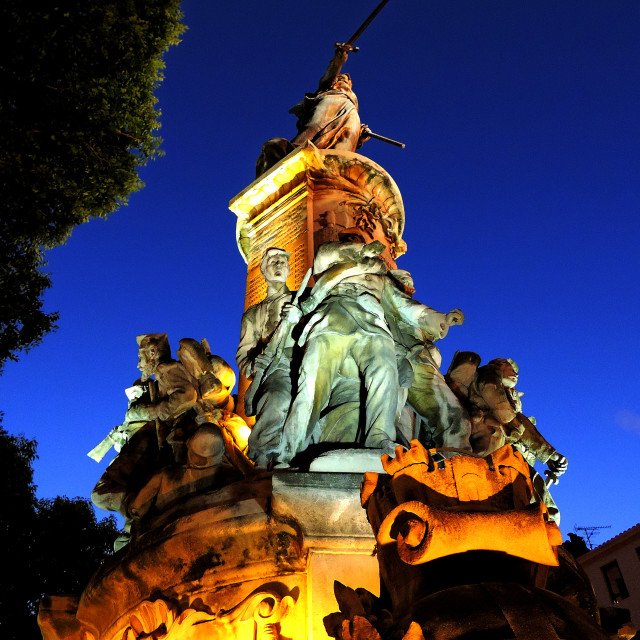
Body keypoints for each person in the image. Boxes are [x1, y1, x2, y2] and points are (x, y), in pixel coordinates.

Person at [277, 240, 400, 465]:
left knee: (385, 370)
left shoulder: (381, 279)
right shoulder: (329, 258)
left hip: (372, 322)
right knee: (313, 384)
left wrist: (439, 320)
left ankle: (380, 439)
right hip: (332, 317)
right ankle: (291, 450)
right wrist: (361, 256)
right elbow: (324, 259)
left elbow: (406, 307)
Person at [383, 270, 472, 451]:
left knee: (454, 417)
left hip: (418, 364)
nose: (410, 289)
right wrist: (442, 319)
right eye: (406, 284)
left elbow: (426, 327)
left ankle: (458, 468)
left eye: (411, 286)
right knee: (395, 426)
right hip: (394, 361)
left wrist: (445, 322)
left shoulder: (408, 310)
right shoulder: (387, 294)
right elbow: (413, 311)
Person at [236, 248, 299, 467]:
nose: (279, 265)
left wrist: (300, 319)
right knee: (277, 396)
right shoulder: (253, 314)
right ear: (263, 270)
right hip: (277, 367)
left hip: (307, 362)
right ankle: (265, 456)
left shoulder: (302, 300)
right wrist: (254, 365)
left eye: (283, 261)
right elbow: (244, 353)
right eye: (273, 262)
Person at [290, 44, 369, 152]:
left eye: (347, 81)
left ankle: (341, 164)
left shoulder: (352, 98)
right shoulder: (329, 87)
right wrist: (338, 62)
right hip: (330, 102)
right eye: (341, 78)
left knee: (348, 137)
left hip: (351, 111)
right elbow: (329, 76)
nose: (345, 81)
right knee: (315, 129)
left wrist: (361, 133)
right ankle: (296, 152)